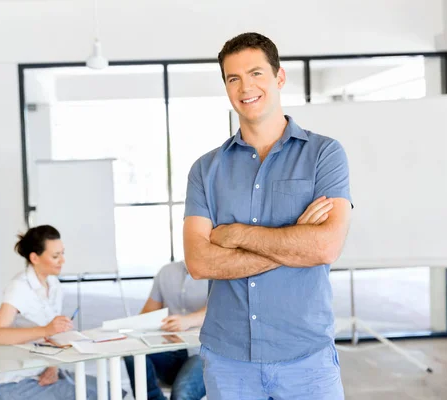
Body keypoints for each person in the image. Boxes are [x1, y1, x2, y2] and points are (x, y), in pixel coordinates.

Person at [183, 32, 352, 400]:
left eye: (256, 73)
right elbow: (198, 262)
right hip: (228, 361)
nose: (246, 87)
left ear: (279, 77)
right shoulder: (204, 170)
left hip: (307, 360)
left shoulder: (325, 155)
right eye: (233, 78)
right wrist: (293, 240)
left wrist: (238, 235)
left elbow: (325, 247)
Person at [0, 225, 101, 400]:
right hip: (17, 380)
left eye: (63, 253)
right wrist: (46, 330)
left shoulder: (54, 285)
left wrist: (53, 366)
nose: (62, 260)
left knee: (104, 390)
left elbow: (53, 336)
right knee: (90, 396)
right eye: (56, 256)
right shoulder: (19, 287)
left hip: (43, 369)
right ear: (35, 258)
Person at [124, 261, 208, 400]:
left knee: (181, 395)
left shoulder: (219, 272)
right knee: (132, 352)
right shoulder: (166, 272)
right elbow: (148, 313)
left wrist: (188, 321)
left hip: (202, 353)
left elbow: (219, 309)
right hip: (170, 349)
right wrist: (130, 327)